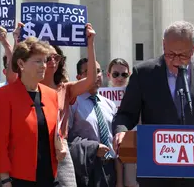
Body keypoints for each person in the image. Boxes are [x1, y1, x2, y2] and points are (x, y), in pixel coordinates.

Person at [112, 21, 194, 187]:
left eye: (182, 56)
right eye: (170, 54)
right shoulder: (144, 73)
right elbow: (125, 114)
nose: (175, 61)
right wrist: (121, 131)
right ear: (163, 45)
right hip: (156, 173)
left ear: (193, 48)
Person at [0, 37, 65, 187]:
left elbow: (53, 131)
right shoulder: (3, 95)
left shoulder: (51, 95)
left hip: (50, 178)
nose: (44, 66)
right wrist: (4, 180)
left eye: (45, 61)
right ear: (21, 64)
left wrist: (60, 143)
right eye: (38, 61)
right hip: (17, 180)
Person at [41, 23, 97, 187]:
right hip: (35, 145)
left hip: (61, 149)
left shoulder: (66, 89)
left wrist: (91, 43)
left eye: (56, 57)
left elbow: (91, 80)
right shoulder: (30, 88)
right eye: (47, 57)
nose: (53, 61)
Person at [68, 58, 117, 187]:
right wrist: (93, 148)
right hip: (86, 169)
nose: (95, 76)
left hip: (110, 169)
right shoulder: (72, 103)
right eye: (88, 72)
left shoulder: (109, 104)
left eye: (98, 71)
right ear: (79, 77)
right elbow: (66, 139)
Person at [107, 58, 137, 187]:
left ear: (129, 75)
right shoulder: (101, 97)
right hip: (109, 147)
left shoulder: (135, 96)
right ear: (108, 75)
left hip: (130, 147)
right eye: (115, 74)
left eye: (124, 74)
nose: (120, 78)